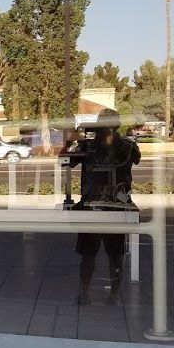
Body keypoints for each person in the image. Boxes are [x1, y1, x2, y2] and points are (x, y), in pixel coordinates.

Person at [64, 111, 141, 305]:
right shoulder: (129, 146)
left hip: (91, 208)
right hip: (117, 208)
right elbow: (137, 158)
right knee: (115, 254)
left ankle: (85, 294)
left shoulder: (87, 146)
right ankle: (113, 296)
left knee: (89, 255)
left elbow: (65, 162)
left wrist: (70, 141)